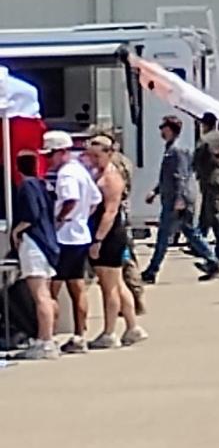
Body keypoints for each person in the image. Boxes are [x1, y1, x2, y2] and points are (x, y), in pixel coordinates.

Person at [141, 115, 219, 284]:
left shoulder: (177, 150)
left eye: (163, 127)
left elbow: (181, 176)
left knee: (164, 235)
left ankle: (152, 270)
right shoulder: (170, 149)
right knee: (190, 232)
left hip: (177, 200)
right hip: (173, 198)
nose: (161, 131)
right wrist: (155, 191)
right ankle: (212, 261)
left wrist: (180, 199)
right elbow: (169, 177)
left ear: (170, 129)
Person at [81, 139, 144, 347]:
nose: (92, 159)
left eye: (97, 156)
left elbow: (110, 212)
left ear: (108, 154)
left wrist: (98, 239)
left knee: (109, 287)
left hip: (109, 235)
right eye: (90, 155)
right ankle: (132, 327)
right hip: (104, 233)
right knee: (117, 283)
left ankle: (109, 332)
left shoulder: (111, 178)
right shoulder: (98, 174)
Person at [44, 131, 99, 353]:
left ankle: (49, 336)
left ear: (61, 152)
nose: (49, 160)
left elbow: (71, 199)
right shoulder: (80, 170)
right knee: (78, 287)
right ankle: (79, 335)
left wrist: (60, 219)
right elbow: (95, 199)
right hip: (80, 234)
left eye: (50, 155)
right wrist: (82, 217)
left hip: (64, 236)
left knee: (52, 288)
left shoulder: (66, 174)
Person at [9, 149, 62, 359]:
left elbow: (31, 214)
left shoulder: (27, 186)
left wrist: (17, 231)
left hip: (34, 243)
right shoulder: (42, 185)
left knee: (40, 296)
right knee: (46, 294)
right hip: (48, 243)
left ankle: (45, 341)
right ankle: (48, 336)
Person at [193, 111, 219, 247]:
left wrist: (195, 170)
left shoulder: (204, 139)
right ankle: (199, 240)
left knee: (215, 211)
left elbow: (197, 158)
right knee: (207, 211)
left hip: (209, 178)